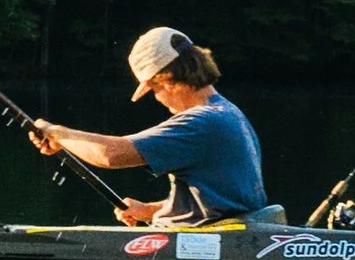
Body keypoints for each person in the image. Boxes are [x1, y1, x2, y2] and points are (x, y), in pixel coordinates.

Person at [30, 27, 280, 228]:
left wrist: (57, 133)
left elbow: (112, 155)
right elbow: (226, 203)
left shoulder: (202, 122)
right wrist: (150, 210)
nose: (158, 99)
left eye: (154, 90)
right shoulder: (230, 113)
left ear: (168, 80)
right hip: (221, 236)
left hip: (201, 244)